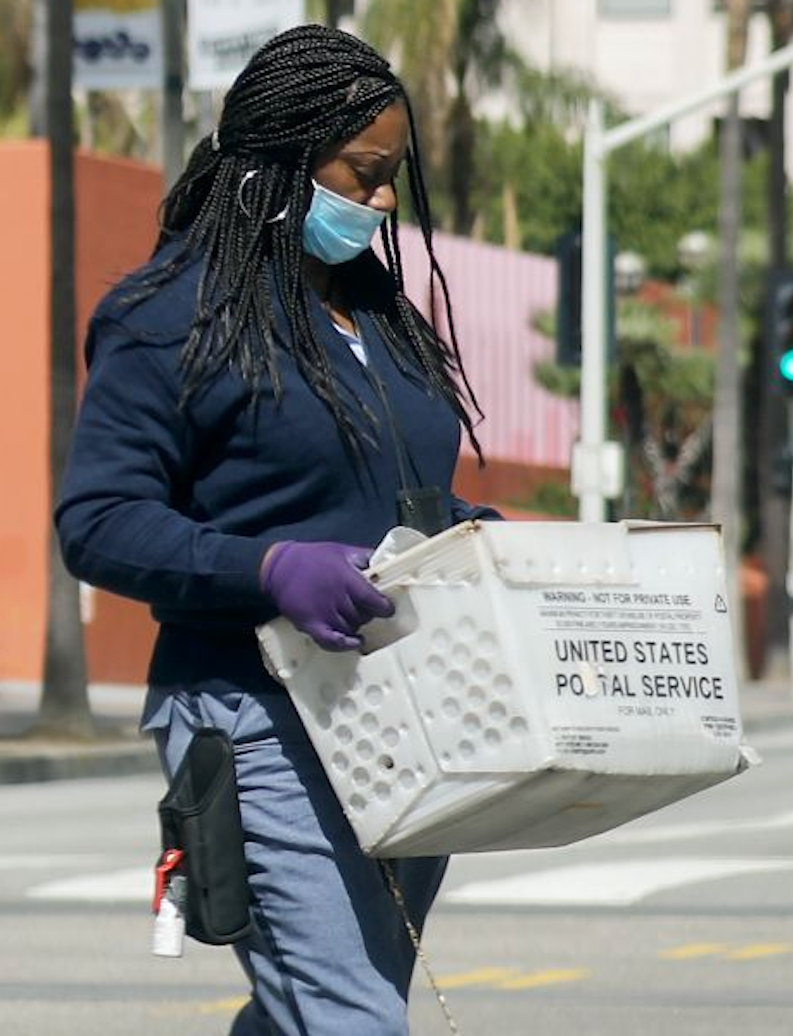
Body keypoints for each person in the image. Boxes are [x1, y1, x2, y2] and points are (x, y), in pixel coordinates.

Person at [54, 25, 497, 1036]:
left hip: (404, 719)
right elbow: (98, 521)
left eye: (392, 178)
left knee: (327, 1006)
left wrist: (474, 541)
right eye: (362, 174)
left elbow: (395, 493)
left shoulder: (378, 317)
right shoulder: (169, 317)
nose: (382, 201)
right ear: (280, 160)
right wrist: (268, 566)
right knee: (348, 1018)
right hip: (247, 711)